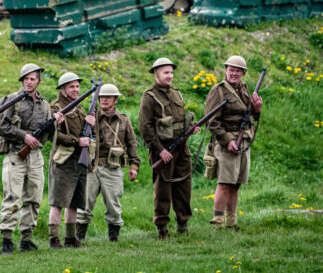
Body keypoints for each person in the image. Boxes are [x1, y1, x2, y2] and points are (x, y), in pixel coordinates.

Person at [0, 63, 61, 255]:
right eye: (26, 79)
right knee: (12, 198)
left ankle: (26, 239)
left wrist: (55, 124)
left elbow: (46, 137)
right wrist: (24, 136)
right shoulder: (11, 100)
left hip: (35, 156)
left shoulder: (44, 105)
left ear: (38, 81)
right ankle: (7, 240)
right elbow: (0, 127)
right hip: (15, 155)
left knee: (33, 198)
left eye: (33, 79)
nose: (29, 82)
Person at [138, 58, 200, 239]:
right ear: (156, 74)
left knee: (183, 188)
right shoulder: (149, 96)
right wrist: (159, 150)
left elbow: (179, 120)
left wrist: (191, 129)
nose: (170, 76)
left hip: (182, 149)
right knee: (163, 190)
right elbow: (145, 126)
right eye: (166, 72)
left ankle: (183, 224)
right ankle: (162, 228)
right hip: (164, 150)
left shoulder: (177, 94)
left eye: (171, 72)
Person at [204, 55, 263, 231]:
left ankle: (231, 223)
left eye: (237, 70)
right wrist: (228, 141)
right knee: (224, 183)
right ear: (226, 70)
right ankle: (218, 222)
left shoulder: (244, 88)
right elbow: (211, 121)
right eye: (231, 69)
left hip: (243, 141)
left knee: (236, 183)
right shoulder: (218, 90)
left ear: (243, 73)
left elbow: (251, 116)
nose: (234, 73)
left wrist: (257, 110)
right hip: (226, 143)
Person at [76, 83, 140, 242]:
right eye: (101, 97)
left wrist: (134, 166)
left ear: (115, 100)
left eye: (108, 97)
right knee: (84, 204)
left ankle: (113, 239)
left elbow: (132, 143)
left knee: (113, 206)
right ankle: (79, 238)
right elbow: (79, 138)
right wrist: (87, 124)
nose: (104, 100)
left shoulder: (124, 120)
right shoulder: (89, 117)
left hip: (113, 167)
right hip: (91, 166)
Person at [47, 72, 95, 249]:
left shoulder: (81, 107)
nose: (76, 90)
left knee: (74, 202)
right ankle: (53, 239)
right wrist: (77, 141)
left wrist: (92, 123)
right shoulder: (55, 108)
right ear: (63, 89)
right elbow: (53, 135)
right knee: (58, 202)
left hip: (79, 160)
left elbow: (86, 132)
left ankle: (70, 237)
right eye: (71, 87)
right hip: (63, 159)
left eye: (77, 86)